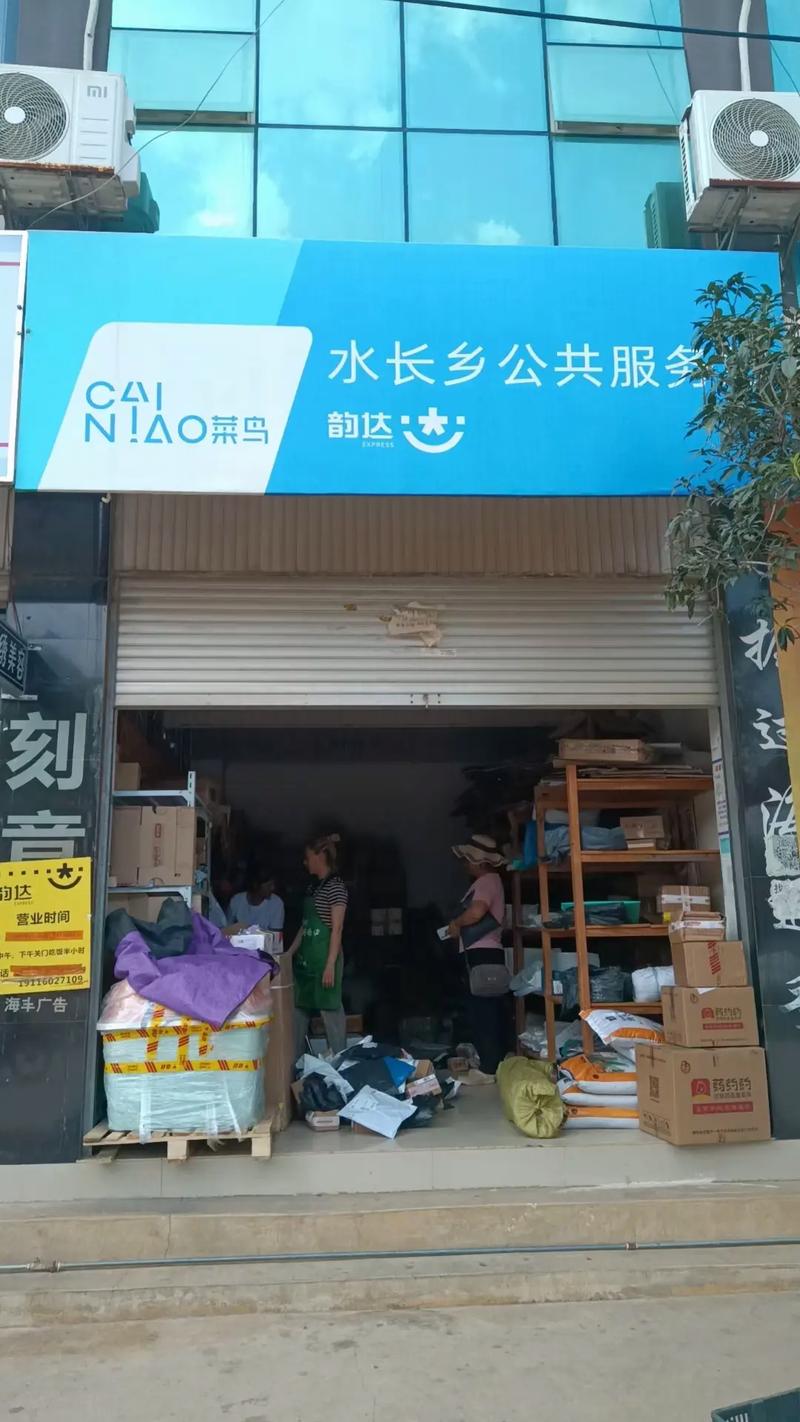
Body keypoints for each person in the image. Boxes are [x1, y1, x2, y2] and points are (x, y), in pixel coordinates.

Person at [448, 834, 510, 1078]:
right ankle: (492, 1061)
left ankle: (489, 1065)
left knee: (483, 1011)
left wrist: (456, 924)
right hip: (486, 954)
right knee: (487, 1009)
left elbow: (476, 912)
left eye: (468, 859)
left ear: (479, 861)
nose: (465, 864)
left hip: (482, 953)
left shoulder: (486, 882)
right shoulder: (492, 881)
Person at [288, 833, 348, 1056]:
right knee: (299, 1010)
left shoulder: (336, 887)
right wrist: (288, 954)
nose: (305, 862)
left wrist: (330, 965)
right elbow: (305, 926)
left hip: (325, 960)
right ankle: (295, 1063)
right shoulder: (313, 888)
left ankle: (340, 1061)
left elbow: (337, 929)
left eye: (308, 857)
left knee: (330, 1010)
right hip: (306, 962)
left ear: (320, 856)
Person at [227, 868, 285, 933]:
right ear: (256, 885)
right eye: (269, 885)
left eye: (273, 884)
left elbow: (275, 934)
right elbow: (227, 929)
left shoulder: (276, 903)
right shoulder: (236, 900)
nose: (272, 888)